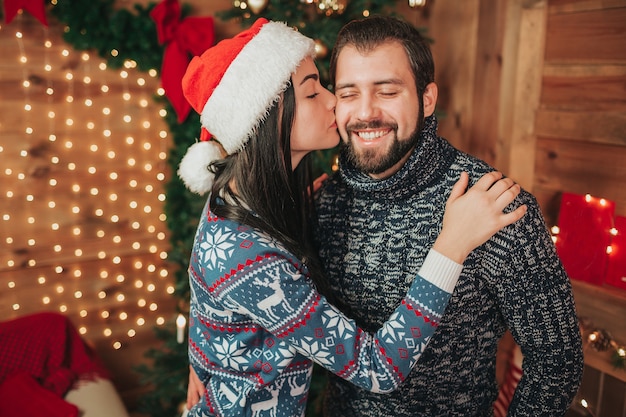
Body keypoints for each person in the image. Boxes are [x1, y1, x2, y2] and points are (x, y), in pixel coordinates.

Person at [177, 18, 526, 417]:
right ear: (268, 118)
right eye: (313, 93)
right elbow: (379, 369)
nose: (334, 103)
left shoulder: (242, 199)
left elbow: (206, 281)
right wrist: (451, 244)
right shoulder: (247, 253)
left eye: (387, 90)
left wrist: (205, 355)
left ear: (427, 98)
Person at [313, 15, 584, 416]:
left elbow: (556, 360)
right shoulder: (323, 201)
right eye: (349, 93)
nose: (365, 112)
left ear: (426, 98)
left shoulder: (494, 205)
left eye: (387, 91)